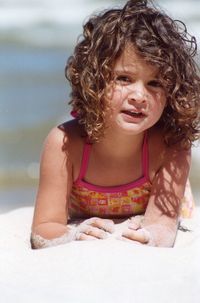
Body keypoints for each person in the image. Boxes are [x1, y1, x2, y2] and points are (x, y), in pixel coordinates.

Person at [31, 0, 200, 249]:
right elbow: (44, 228)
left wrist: (152, 235)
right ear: (95, 81)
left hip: (171, 202)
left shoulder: (171, 145)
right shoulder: (65, 144)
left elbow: (160, 228)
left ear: (172, 92)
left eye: (155, 83)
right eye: (124, 78)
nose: (139, 96)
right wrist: (70, 235)